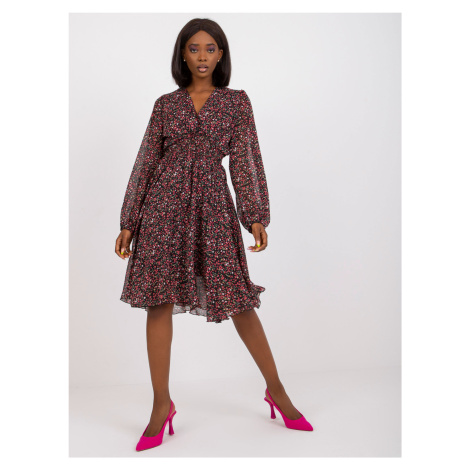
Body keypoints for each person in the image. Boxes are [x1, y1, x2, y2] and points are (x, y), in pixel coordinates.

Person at [114, 18, 313, 452]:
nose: (202, 56)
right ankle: (161, 404)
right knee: (158, 301)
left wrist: (254, 215)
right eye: (194, 48)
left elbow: (245, 158)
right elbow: (146, 161)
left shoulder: (236, 103)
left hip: (212, 208)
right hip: (163, 209)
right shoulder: (165, 105)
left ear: (221, 54)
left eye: (210, 48)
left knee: (238, 301)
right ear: (182, 55)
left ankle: (277, 390)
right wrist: (129, 220)